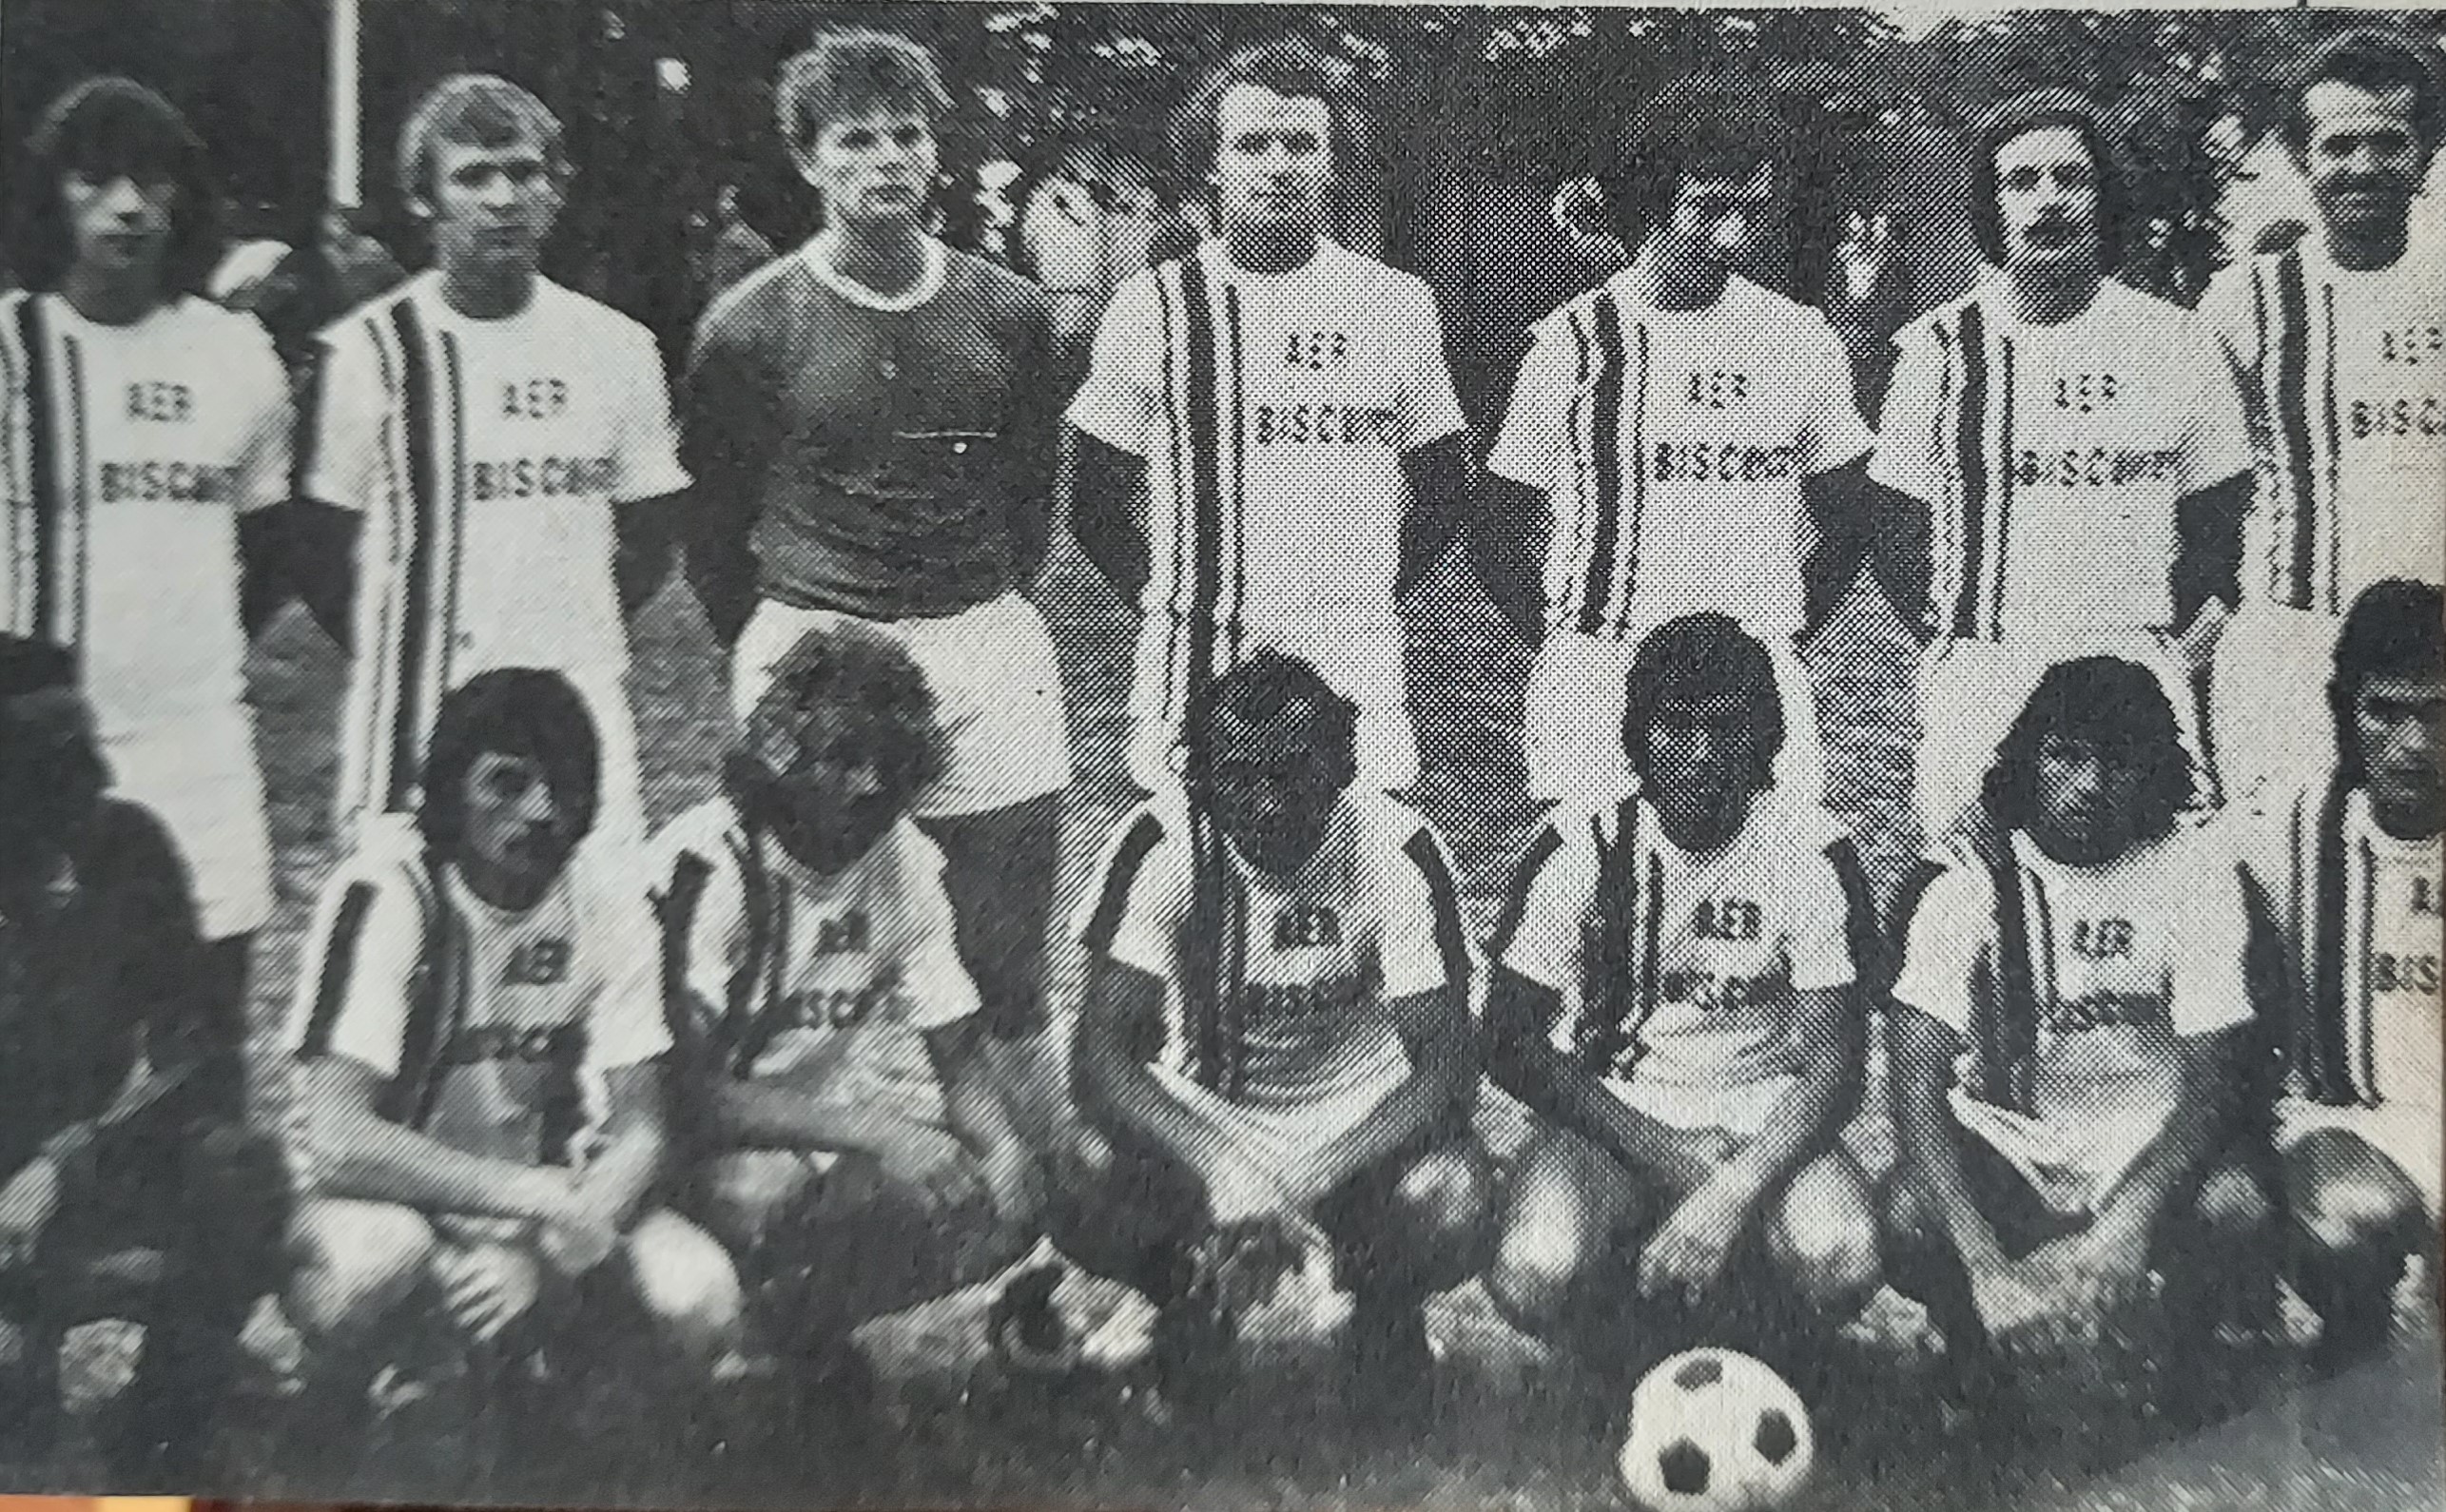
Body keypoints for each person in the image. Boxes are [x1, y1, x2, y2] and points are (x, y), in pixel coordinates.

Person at [682, 30, 1071, 1113]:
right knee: (788, 959)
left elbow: (1031, 495)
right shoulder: (751, 324)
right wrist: (800, 637)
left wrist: (963, 595)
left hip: (977, 636)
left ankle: (1035, 1212)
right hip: (815, 637)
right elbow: (713, 528)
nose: (887, 160)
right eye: (856, 141)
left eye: (909, 135)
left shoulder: (1008, 311)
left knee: (1007, 967)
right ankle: (774, 1186)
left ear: (937, 153)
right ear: (808, 161)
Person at [282, 669, 741, 1452]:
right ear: (452, 789)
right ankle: (347, 1398)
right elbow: (336, 1135)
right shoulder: (389, 892)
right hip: (390, 1201)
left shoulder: (608, 904)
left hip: (539, 1212)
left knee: (700, 1295)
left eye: (562, 787)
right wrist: (530, 1197)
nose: (539, 811)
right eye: (507, 783)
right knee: (370, 1262)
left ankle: (554, 1399)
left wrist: (541, 1250)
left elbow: (643, 1126)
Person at [1060, 649, 1494, 1424]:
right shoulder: (1159, 841)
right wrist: (1223, 1163)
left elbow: (1447, 1072)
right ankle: (1188, 1298)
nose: (1266, 804)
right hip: (1212, 1116)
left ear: (1342, 765)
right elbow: (1099, 1060)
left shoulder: (1398, 846)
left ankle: (1380, 1313)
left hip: (1354, 1119)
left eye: (1292, 774)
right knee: (1080, 1169)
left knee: (1453, 1196)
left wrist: (1300, 1178)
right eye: (1237, 777)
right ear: (1200, 779)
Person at [1482, 614, 1881, 1389]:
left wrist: (1734, 1185)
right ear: (1639, 738)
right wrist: (1668, 1155)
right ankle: (1614, 1352)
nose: (1701, 756)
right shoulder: (1579, 847)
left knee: (1841, 1254)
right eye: (1678, 728)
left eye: (1729, 730)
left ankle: (1769, 1339)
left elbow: (1836, 1067)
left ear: (1766, 743)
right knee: (1534, 1269)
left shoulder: (1814, 849)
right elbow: (1509, 1041)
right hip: (1618, 1113)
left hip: (1763, 1117)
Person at [1066, 35, 1473, 794]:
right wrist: (1178, 603)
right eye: (1253, 145)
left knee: (1358, 869)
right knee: (1200, 874)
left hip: (1353, 653)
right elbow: (1094, 503)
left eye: (1301, 145)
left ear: (1331, 163)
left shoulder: (1393, 303)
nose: (1280, 166)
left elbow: (1445, 490)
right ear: (1213, 167)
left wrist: (1364, 591)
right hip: (1205, 653)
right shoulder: (1154, 305)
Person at [295, 74, 689, 845]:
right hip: (423, 701)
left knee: (599, 935)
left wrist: (563, 622)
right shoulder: (370, 352)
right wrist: (400, 638)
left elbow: (647, 531)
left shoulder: (616, 347)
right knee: (419, 936)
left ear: (556, 190)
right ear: (425, 199)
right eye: (473, 176)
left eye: (523, 171)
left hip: (577, 692)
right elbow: (318, 549)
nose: (502, 197)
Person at [650, 623, 1042, 1399]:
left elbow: (960, 1062)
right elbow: (684, 1095)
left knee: (998, 1195)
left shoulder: (906, 862)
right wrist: (879, 1132)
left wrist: (1004, 1153)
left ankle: (794, 1344)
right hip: (655, 1157)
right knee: (773, 1192)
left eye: (890, 765)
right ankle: (690, 1357)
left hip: (795, 1145)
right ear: (784, 755)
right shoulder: (707, 865)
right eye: (842, 758)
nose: (868, 786)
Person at [0, 76, 292, 1070]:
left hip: (197, 745)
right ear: (55, 197)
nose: (128, 206)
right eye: (97, 182)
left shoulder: (237, 355)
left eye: (151, 182)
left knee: (202, 1048)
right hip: (42, 753)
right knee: (52, 1053)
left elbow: (266, 549)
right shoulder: (11, 348)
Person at [1870, 90, 2254, 841]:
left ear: (2103, 198)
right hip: (1988, 666)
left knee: (2153, 891)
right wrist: (1959, 635)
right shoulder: (1939, 350)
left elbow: (2220, 526)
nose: (2047, 201)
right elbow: (1895, 525)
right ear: (1992, 207)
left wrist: (2175, 648)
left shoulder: (2176, 342)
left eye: (2070, 179)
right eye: (2021, 182)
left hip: (2134, 659)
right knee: (1977, 896)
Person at [1884, 656, 2268, 1405]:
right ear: (2029, 761)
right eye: (2068, 757)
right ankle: (1977, 1348)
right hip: (2015, 1147)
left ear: (2152, 773)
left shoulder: (2194, 869)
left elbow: (2216, 1079)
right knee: (1910, 1217)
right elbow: (1915, 1088)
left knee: (2237, 1207)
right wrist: (1985, 1264)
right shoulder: (1969, 879)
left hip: (2144, 1141)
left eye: (2118, 762)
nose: (2090, 786)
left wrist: (2132, 1214)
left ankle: (2179, 1356)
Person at [1485, 80, 1873, 807]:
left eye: (1751, 211)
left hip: (1755, 673)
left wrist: (1779, 630)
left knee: (1768, 882)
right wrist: (1566, 640)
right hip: (1607, 662)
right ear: (1654, 202)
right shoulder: (1577, 341)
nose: (1734, 235)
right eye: (1710, 210)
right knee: (1601, 890)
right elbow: (1499, 522)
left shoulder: (1798, 339)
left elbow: (1853, 518)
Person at [0, 634, 289, 1482]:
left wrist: (68, 1161)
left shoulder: (128, 850)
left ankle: (161, 1438)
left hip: (88, 1171)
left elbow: (202, 1053)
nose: (93, 777)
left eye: (89, 746)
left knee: (239, 1168)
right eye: (51, 761)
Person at [2200, 29, 2446, 799]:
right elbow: (2201, 482)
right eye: (2340, 147)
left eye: (2389, 144)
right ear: (2303, 159)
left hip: (2435, 656)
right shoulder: (2245, 299)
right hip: (2294, 640)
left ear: (2427, 155)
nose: (2364, 168)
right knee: (2284, 876)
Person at [2237, 579, 2441, 1371]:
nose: (2413, 743)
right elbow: (2161, 859)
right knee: (2338, 1219)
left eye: (2435, 712)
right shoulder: (2286, 826)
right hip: (2354, 1124)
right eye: (2386, 713)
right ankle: (2355, 1346)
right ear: (2344, 715)